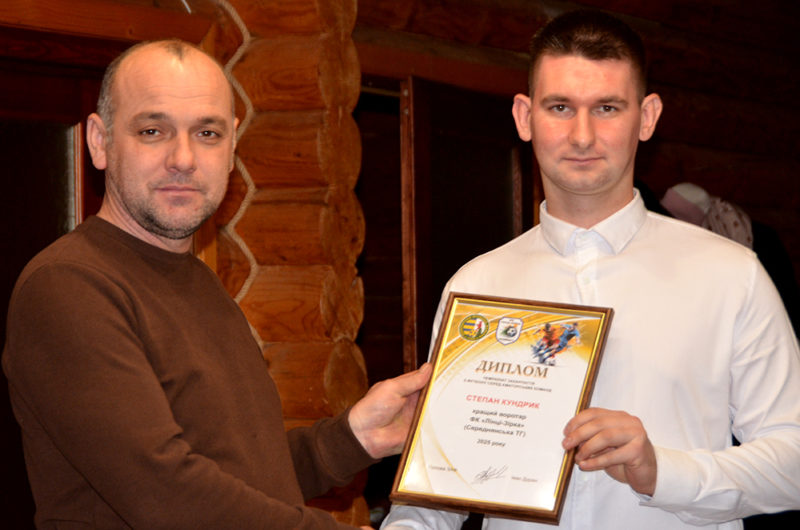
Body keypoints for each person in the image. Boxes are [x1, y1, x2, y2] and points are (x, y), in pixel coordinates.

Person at [381, 10, 800, 530]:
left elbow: (793, 462)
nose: (582, 136)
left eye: (607, 108)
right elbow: (437, 489)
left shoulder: (731, 276)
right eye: (560, 107)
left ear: (646, 117)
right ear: (524, 116)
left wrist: (661, 471)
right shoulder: (477, 285)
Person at [2, 39, 431, 529]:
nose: (183, 158)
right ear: (99, 142)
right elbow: (168, 494)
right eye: (152, 130)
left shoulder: (198, 282)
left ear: (231, 150)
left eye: (207, 133)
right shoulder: (69, 287)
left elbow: (239, 477)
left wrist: (353, 439)